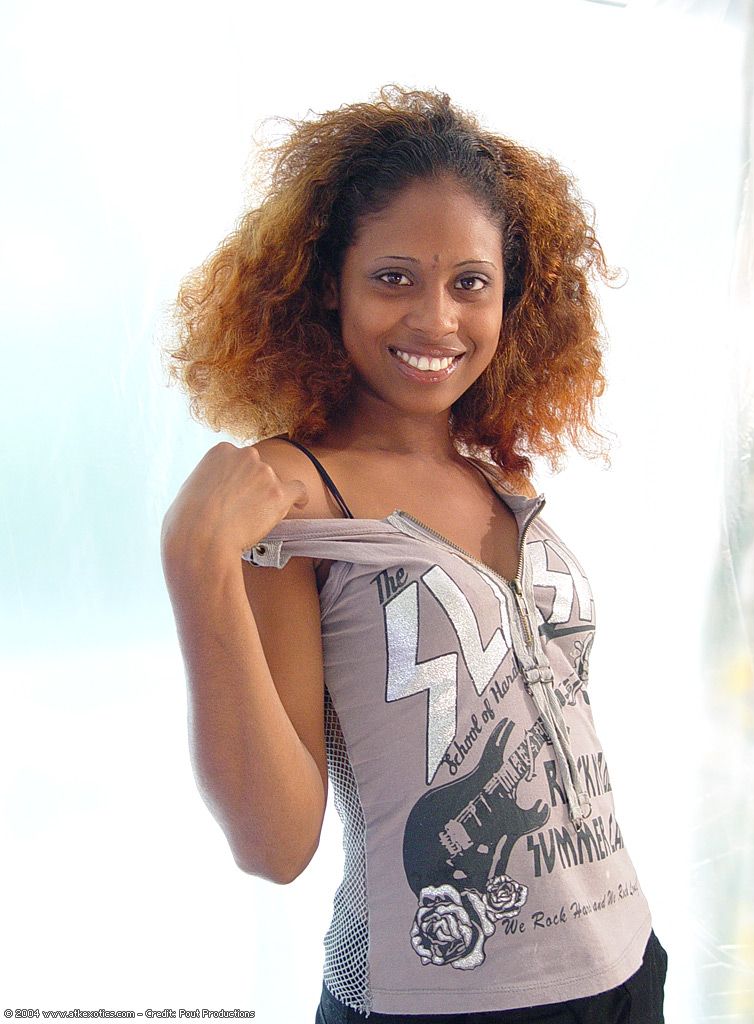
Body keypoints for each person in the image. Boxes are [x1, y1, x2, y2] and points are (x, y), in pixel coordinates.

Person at [160, 86, 668, 1023]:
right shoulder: (292, 497)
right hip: (437, 998)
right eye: (394, 277)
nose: (437, 320)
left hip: (629, 965)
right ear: (328, 285)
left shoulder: (495, 474)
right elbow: (273, 846)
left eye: (470, 282)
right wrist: (195, 568)